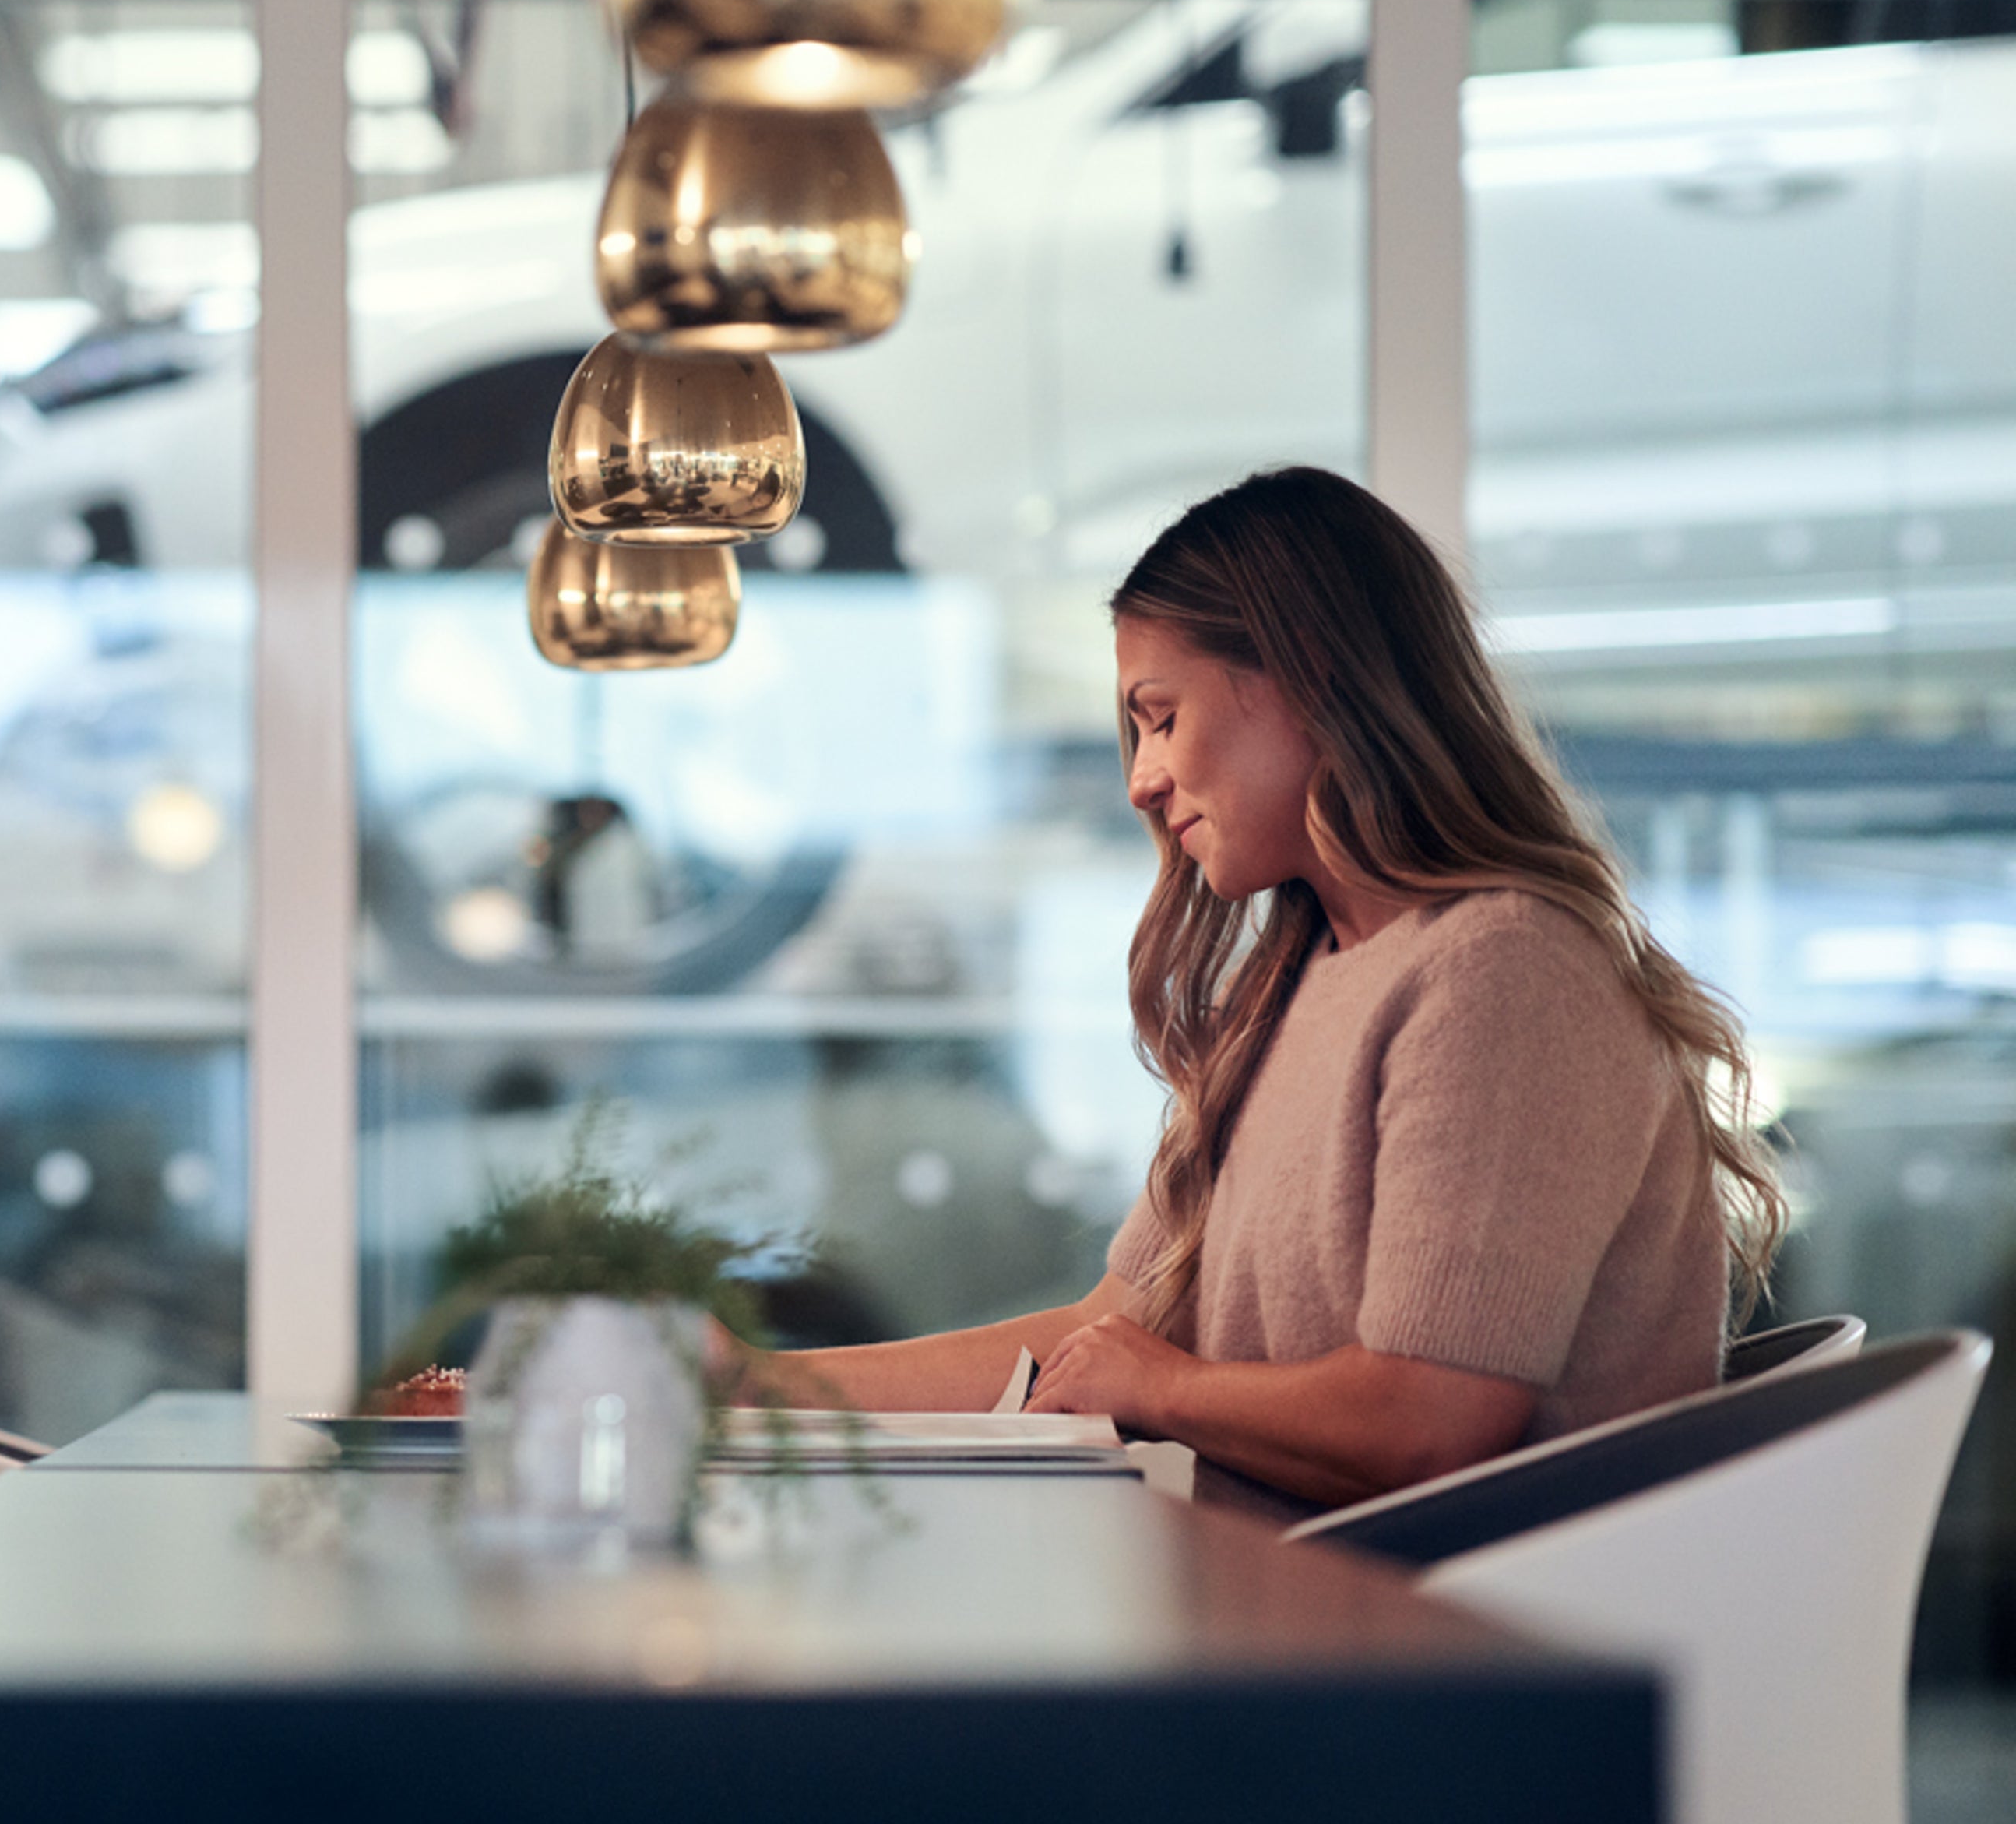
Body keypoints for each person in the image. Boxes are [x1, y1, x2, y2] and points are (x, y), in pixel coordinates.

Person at [717, 466, 1785, 1509]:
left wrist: (1167, 1389)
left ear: (1310, 672)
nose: (1140, 778)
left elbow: (1428, 1427)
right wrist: (751, 1384)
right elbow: (1102, 1340)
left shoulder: (1503, 973)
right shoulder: (1301, 979)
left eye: (1161, 716)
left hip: (1456, 1644)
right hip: (1310, 1606)